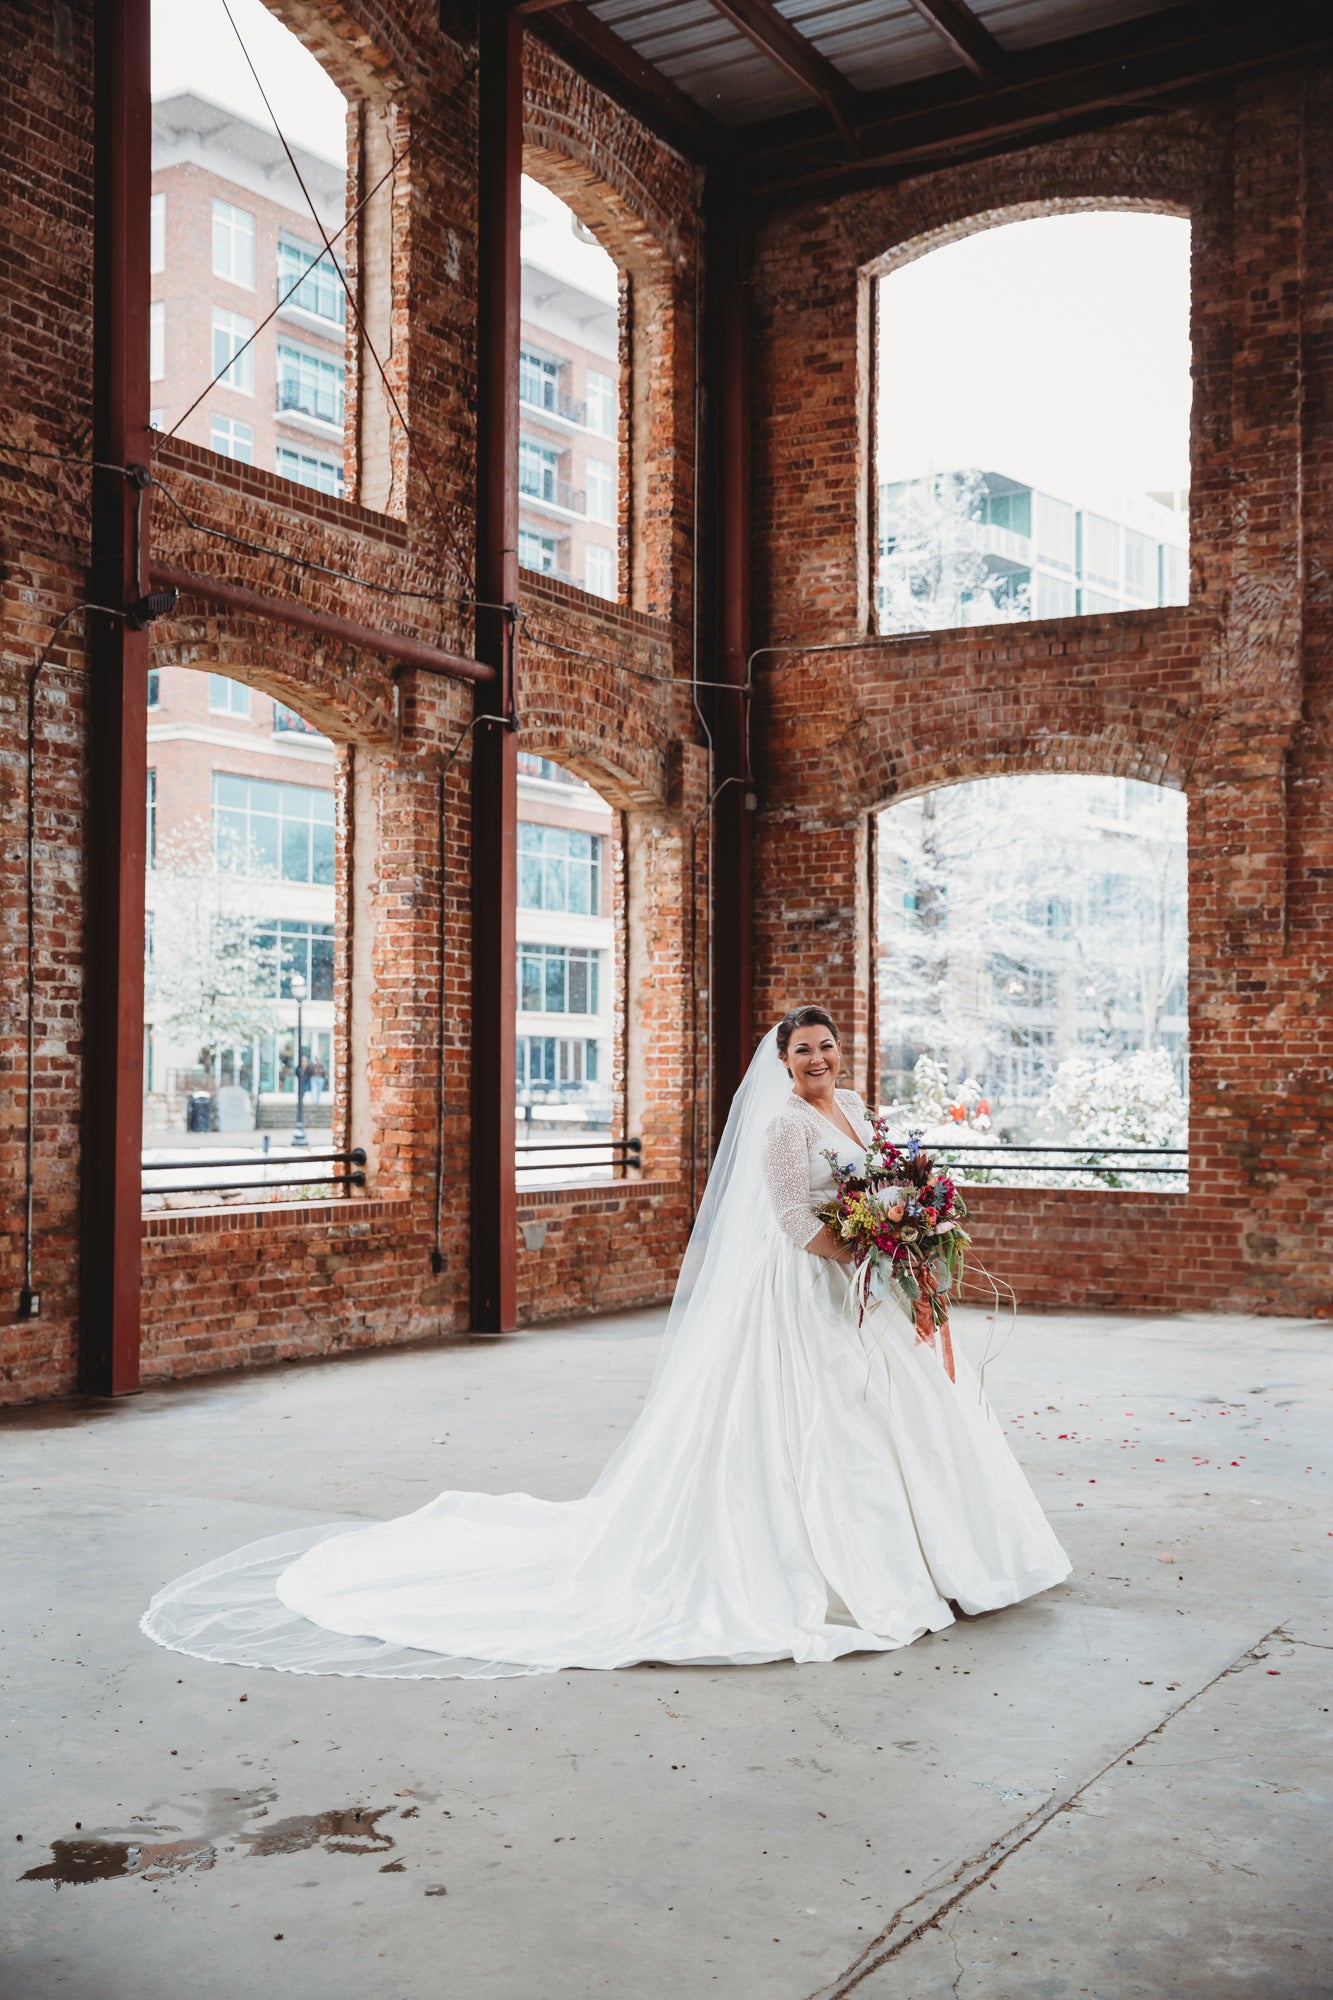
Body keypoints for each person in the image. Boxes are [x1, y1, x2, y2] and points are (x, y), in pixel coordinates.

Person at [141, 1005, 1069, 1681]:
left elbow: (880, 1182)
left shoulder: (855, 1107)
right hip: (808, 1289)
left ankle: (944, 1558)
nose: (817, 1061)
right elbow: (794, 1223)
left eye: (826, 1048)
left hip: (862, 1283)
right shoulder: (783, 1125)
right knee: (812, 1428)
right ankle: (843, 1569)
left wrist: (901, 1242)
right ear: (780, 1062)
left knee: (905, 1420)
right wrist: (873, 1247)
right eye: (802, 1051)